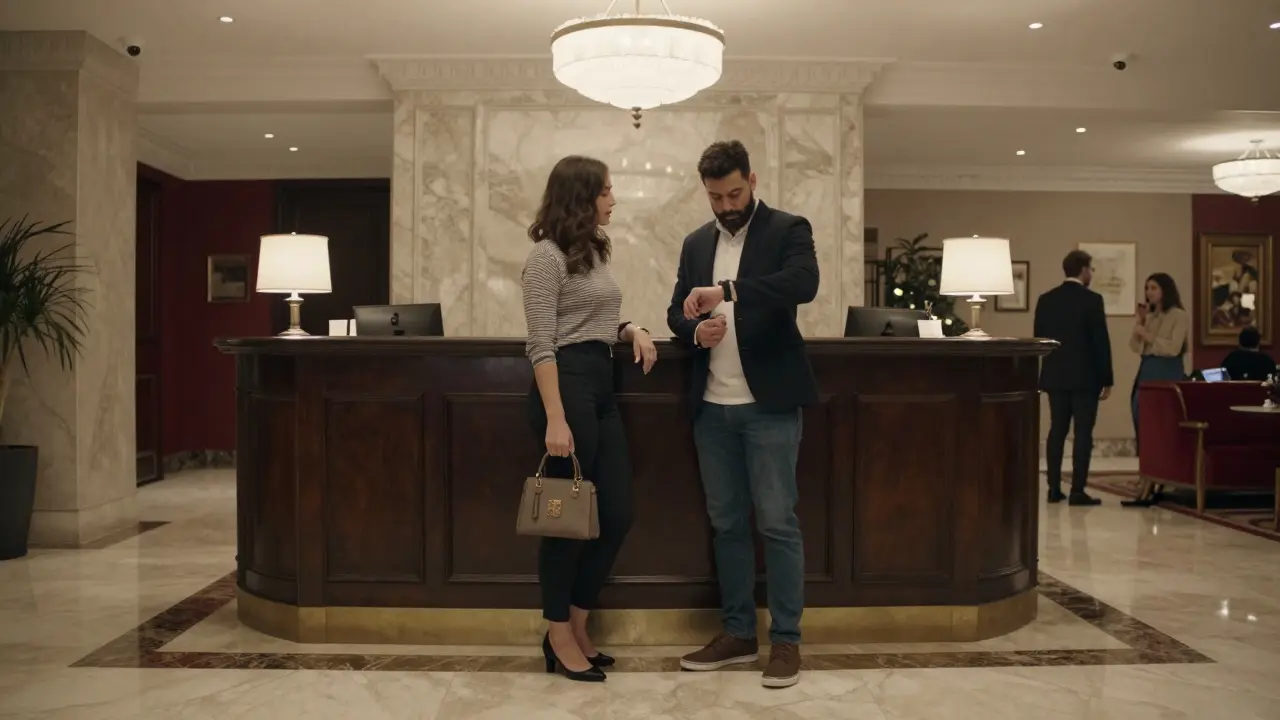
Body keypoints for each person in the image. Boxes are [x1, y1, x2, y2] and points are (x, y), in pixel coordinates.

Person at [666, 140, 819, 689]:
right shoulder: (694, 243)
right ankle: (736, 633)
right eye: (715, 196)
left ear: (753, 180)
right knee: (726, 524)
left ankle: (786, 642)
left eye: (734, 192)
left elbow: (803, 284)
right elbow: (676, 311)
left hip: (769, 406)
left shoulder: (787, 229)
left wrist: (727, 291)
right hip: (712, 407)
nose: (727, 205)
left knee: (777, 523)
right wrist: (695, 329)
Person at [521, 155, 658, 682]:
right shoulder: (545, 257)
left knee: (615, 513)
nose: (613, 198)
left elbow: (596, 315)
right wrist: (556, 418)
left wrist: (631, 329)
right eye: (605, 190)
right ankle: (557, 632)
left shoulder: (594, 251)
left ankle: (577, 624)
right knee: (564, 522)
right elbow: (542, 341)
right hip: (566, 389)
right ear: (581, 197)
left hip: (601, 384)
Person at [1034, 250, 1113, 507]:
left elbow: (1039, 339)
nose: (1091, 273)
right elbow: (1100, 342)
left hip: (1055, 376)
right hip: (1085, 378)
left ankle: (1053, 488)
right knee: (1083, 434)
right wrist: (1107, 378)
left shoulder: (1046, 300)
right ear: (1082, 270)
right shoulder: (1092, 300)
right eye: (1090, 269)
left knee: (1057, 431)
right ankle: (1078, 491)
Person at [1123, 272, 1189, 507]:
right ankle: (1145, 474)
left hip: (1166, 370)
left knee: (1159, 424)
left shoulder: (1179, 316)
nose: (1149, 292)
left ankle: (1159, 478)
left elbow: (1172, 348)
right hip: (1148, 368)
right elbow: (1135, 346)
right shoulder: (1150, 317)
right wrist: (1140, 323)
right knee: (1139, 416)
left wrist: (1147, 335)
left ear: (1165, 290)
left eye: (1153, 288)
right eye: (1147, 288)